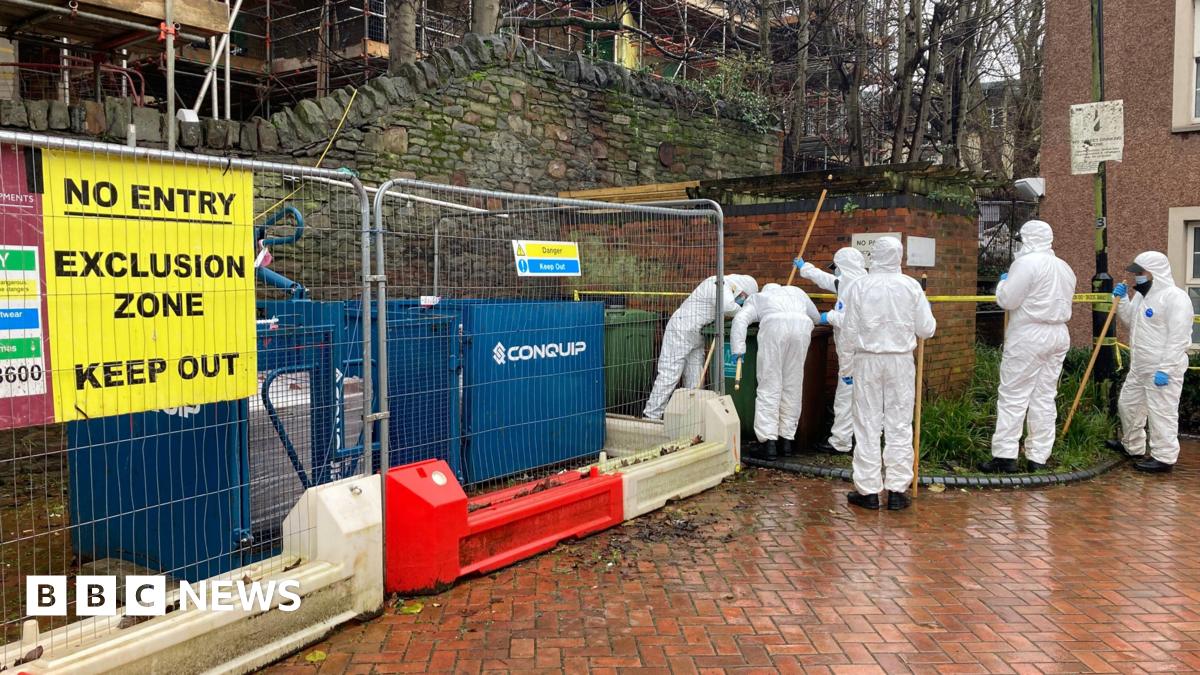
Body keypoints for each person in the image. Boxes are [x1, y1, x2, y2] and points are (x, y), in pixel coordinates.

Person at [834, 236, 936, 511]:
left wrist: (846, 367)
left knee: (866, 423)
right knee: (899, 422)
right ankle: (897, 490)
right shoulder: (911, 287)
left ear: (874, 256)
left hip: (867, 360)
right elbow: (927, 328)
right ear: (899, 256)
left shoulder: (859, 287)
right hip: (900, 361)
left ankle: (867, 490)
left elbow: (848, 332)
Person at [980, 220, 1076, 474]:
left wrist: (1002, 284)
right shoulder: (1064, 267)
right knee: (1044, 397)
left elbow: (1008, 299)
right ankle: (1039, 457)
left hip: (1030, 333)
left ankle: (1005, 455)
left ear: (1028, 239)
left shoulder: (1025, 263)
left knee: (1014, 395)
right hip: (1058, 334)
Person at [1107, 252, 1195, 473]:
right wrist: (1123, 301)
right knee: (1128, 405)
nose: (1137, 277)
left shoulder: (1175, 297)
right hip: (1139, 367)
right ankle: (1133, 445)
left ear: (1154, 273)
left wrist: (1165, 369)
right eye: (1136, 273)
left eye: (1140, 272)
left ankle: (1164, 457)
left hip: (1162, 368)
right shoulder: (1142, 297)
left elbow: (1179, 337)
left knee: (1161, 412)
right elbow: (1131, 323)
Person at [643, 274, 758, 420]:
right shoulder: (719, 284)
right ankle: (651, 415)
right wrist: (747, 312)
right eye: (744, 297)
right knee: (669, 373)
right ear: (742, 289)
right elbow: (728, 307)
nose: (741, 300)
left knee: (696, 379)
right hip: (681, 329)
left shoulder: (726, 288)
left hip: (696, 333)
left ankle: (691, 419)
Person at [730, 282, 822, 459]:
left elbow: (740, 319)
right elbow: (816, 318)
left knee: (769, 385)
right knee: (792, 385)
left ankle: (768, 443)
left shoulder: (758, 298)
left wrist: (739, 350)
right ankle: (786, 440)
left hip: (774, 327)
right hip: (802, 327)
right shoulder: (797, 291)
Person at [794, 247, 868, 454]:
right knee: (860, 396)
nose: (835, 272)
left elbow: (854, 320)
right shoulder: (853, 281)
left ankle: (841, 442)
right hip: (857, 352)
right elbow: (827, 280)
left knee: (846, 396)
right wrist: (805, 267)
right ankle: (861, 441)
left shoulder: (854, 286)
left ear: (844, 266)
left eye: (837, 268)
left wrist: (830, 317)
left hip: (854, 352)